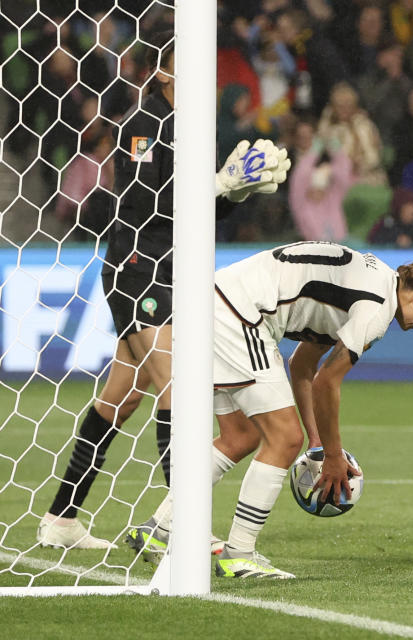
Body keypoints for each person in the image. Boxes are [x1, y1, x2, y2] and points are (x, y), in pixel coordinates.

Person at [36, 34, 291, 551]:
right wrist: (215, 186)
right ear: (162, 71)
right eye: (184, 61)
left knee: (121, 398)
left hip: (175, 268)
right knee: (178, 388)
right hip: (138, 266)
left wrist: (234, 192)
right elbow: (145, 198)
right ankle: (183, 525)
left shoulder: (195, 125)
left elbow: (203, 211)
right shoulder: (142, 124)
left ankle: (61, 519)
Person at [127, 242, 413, 578]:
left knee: (241, 436)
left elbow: (303, 367)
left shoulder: (372, 281)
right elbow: (327, 383)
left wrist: (316, 444)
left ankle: (161, 528)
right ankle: (239, 553)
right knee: (284, 439)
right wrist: (331, 456)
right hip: (240, 316)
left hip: (218, 303)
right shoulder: (377, 308)